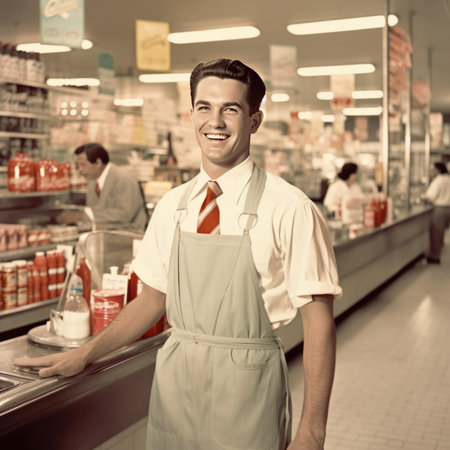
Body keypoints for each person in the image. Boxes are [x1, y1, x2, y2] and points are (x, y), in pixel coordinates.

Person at [15, 59, 342, 450]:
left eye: (230, 109)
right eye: (204, 107)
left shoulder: (290, 208)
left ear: (254, 121)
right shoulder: (173, 206)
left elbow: (319, 322)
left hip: (248, 387)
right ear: (191, 115)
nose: (215, 122)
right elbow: (152, 300)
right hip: (174, 385)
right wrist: (86, 353)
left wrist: (312, 432)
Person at [57, 143, 148, 231]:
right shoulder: (93, 180)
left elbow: (125, 215)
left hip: (130, 236)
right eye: (78, 166)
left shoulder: (123, 179)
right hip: (105, 235)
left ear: (98, 163)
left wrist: (83, 215)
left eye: (83, 165)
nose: (80, 170)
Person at [425, 162, 450, 264]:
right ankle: (440, 249)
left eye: (433, 169)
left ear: (438, 170)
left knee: (436, 233)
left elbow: (430, 196)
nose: (432, 171)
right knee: (442, 232)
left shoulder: (438, 181)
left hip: (440, 209)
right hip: (449, 208)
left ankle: (435, 257)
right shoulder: (449, 178)